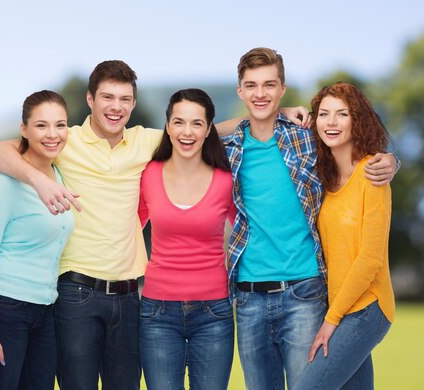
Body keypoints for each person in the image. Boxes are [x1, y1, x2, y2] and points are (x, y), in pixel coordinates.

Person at [0, 60, 310, 390]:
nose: (116, 107)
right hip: (75, 291)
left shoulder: (147, 143)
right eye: (107, 97)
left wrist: (277, 114)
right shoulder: (66, 140)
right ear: (90, 100)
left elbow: (209, 128)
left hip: (129, 296)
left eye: (125, 99)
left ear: (134, 104)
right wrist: (40, 181)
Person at [222, 48, 399, 390]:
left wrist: (391, 161)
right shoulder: (231, 149)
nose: (261, 93)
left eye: (270, 85)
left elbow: (357, 150)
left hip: (305, 294)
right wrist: (272, 113)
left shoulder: (306, 140)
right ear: (240, 91)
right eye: (252, 86)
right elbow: (195, 132)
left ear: (283, 88)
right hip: (248, 298)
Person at [0, 90, 74, 389]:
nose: (52, 134)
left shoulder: (60, 175)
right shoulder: (6, 185)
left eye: (60, 125)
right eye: (41, 125)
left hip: (46, 312)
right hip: (6, 313)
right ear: (24, 130)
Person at [296, 82, 395, 389]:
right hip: (340, 306)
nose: (332, 122)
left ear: (358, 120)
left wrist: (331, 320)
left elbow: (370, 259)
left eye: (342, 114)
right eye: (324, 114)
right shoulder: (324, 179)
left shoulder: (373, 174)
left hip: (366, 308)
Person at [137, 89, 236, 390]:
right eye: (179, 122)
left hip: (214, 313)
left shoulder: (226, 180)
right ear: (167, 126)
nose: (187, 132)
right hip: (156, 313)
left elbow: (251, 233)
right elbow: (126, 228)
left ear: (209, 130)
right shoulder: (148, 174)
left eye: (196, 124)